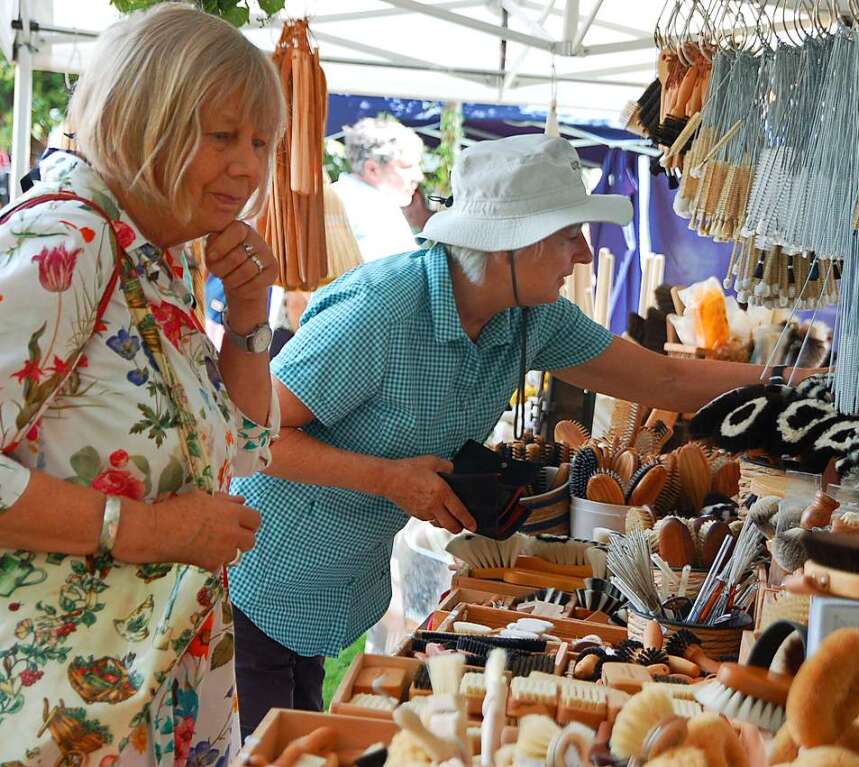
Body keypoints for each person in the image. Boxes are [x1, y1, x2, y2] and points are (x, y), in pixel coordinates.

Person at [228, 134, 796, 734]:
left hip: (332, 587)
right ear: (512, 243)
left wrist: (806, 385)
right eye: (568, 235)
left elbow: (663, 376)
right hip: (254, 576)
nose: (582, 253)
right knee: (268, 744)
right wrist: (388, 479)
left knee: (300, 738)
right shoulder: (382, 310)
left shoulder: (529, 317)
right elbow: (247, 434)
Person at [0, 5, 285, 764]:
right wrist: (152, 531)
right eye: (221, 136)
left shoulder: (150, 254)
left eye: (260, 142)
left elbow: (248, 449)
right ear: (137, 117)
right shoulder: (71, 240)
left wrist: (250, 315)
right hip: (55, 721)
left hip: (135, 701)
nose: (249, 167)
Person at [331, 117, 424, 263]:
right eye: (407, 167)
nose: (418, 176)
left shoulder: (338, 194)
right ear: (372, 169)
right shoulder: (375, 209)